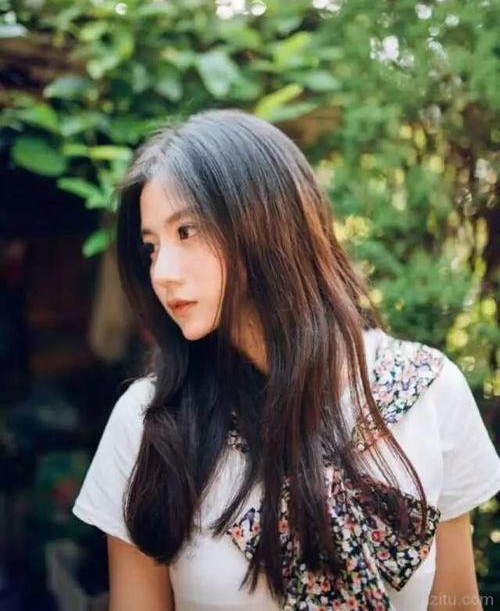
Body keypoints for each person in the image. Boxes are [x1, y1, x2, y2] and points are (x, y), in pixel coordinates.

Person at [72, 109, 500, 611]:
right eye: (151, 248)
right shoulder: (150, 423)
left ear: (267, 222)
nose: (161, 272)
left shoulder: (428, 390)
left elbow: (456, 602)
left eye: (186, 231)